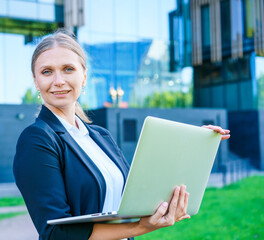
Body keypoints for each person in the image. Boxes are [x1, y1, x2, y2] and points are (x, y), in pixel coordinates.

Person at [13, 29, 230, 240]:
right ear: (36, 81)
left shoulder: (100, 137)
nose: (58, 80)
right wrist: (138, 227)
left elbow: (137, 191)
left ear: (84, 76)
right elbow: (55, 233)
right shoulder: (37, 139)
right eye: (47, 72)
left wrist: (190, 145)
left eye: (68, 69)